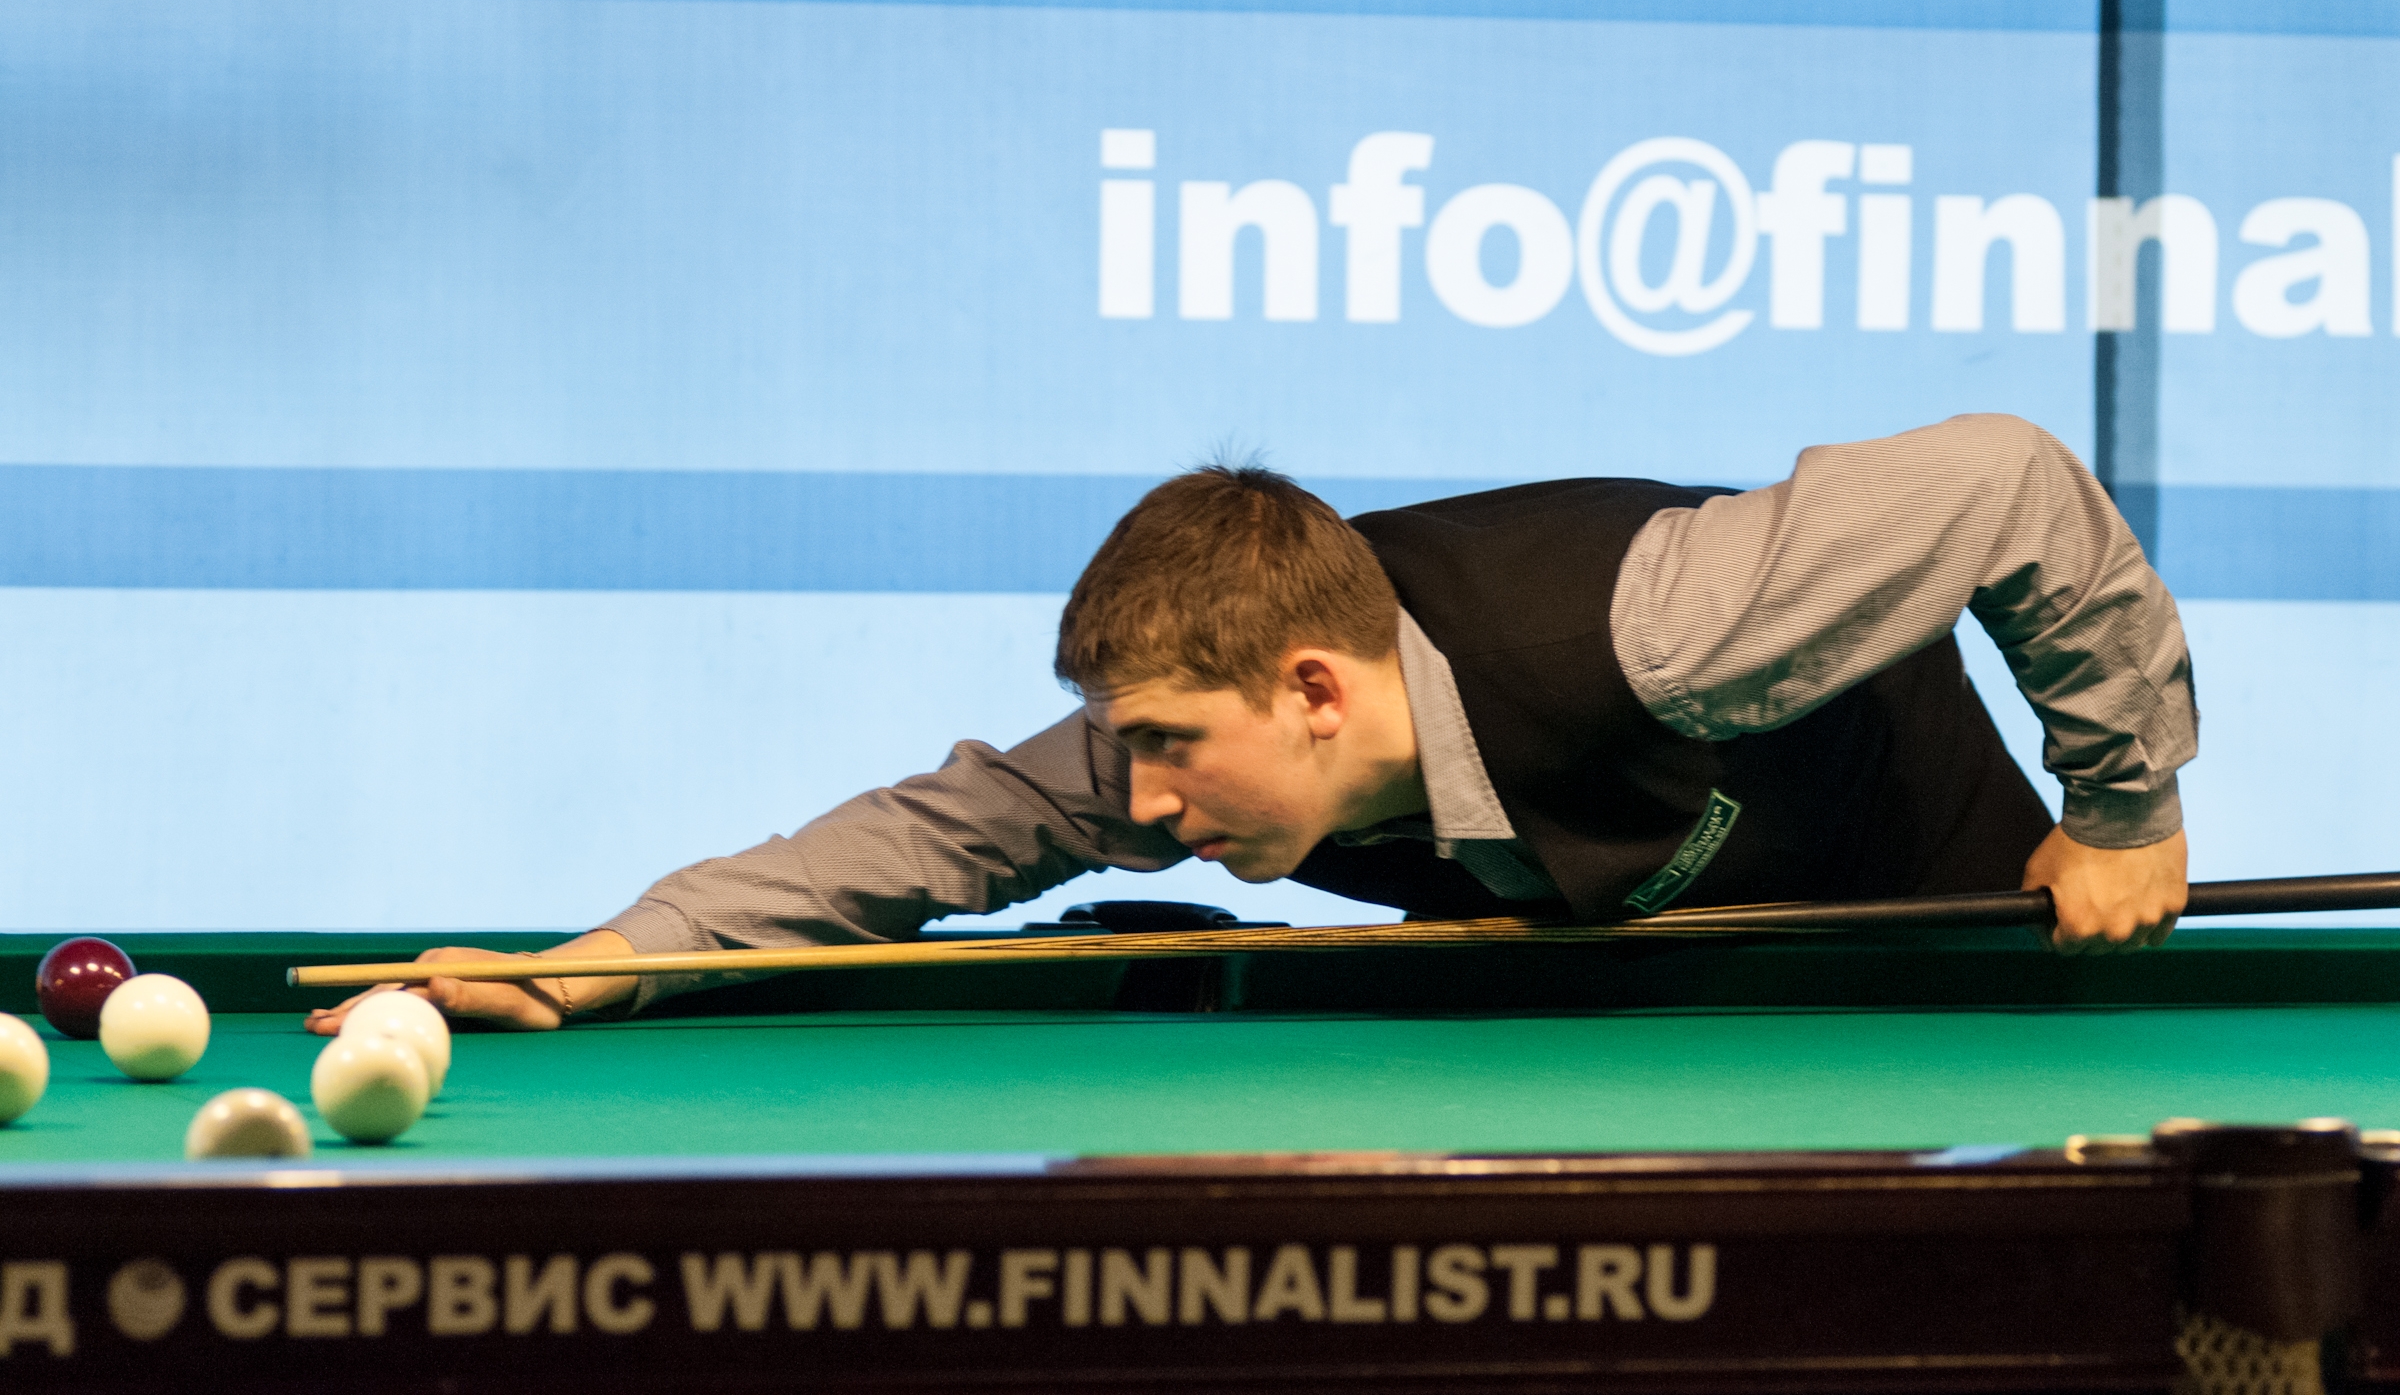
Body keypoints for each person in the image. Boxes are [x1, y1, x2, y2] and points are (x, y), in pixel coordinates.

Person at [306, 412, 2195, 1037]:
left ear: (1312, 688)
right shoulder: (1186, 756)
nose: (1134, 801)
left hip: (1928, 924)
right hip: (1619, 984)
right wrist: (608, 960)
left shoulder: (1664, 629)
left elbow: (2010, 483)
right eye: (1122, 749)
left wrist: (2121, 805)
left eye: (1164, 745)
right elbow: (928, 837)